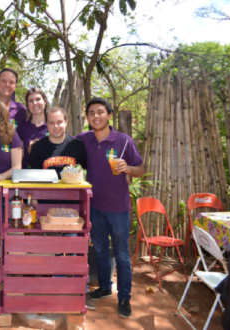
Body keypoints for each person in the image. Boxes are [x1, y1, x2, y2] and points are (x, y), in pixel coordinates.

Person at [76, 97, 145, 319]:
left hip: (118, 208)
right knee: (101, 251)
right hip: (94, 205)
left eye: (100, 112)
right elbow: (61, 143)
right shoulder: (83, 140)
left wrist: (129, 170)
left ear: (109, 115)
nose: (96, 116)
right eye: (92, 113)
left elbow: (141, 169)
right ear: (87, 118)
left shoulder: (124, 141)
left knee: (122, 254)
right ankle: (105, 286)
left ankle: (124, 297)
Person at [28, 107, 87, 176]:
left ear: (66, 122)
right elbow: (33, 176)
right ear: (47, 124)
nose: (56, 126)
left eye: (59, 122)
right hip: (46, 186)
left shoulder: (77, 145)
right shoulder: (37, 147)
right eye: (51, 123)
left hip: (70, 186)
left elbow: (87, 168)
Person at [17, 87, 49, 169]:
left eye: (38, 99)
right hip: (26, 175)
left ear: (45, 101)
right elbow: (18, 154)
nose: (35, 103)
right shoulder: (22, 127)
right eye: (31, 101)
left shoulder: (53, 125)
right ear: (27, 105)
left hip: (49, 175)